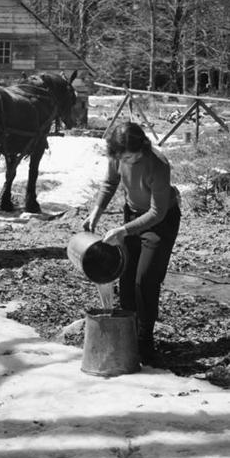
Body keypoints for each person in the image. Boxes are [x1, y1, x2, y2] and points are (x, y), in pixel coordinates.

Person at [84, 121, 181, 364]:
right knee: (126, 280)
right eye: (122, 157)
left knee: (145, 280)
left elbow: (157, 212)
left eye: (130, 157)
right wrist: (96, 211)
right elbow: (110, 183)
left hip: (160, 222)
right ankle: (128, 336)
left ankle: (145, 343)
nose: (126, 161)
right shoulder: (118, 155)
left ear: (142, 147)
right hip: (133, 216)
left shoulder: (157, 164)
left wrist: (124, 230)